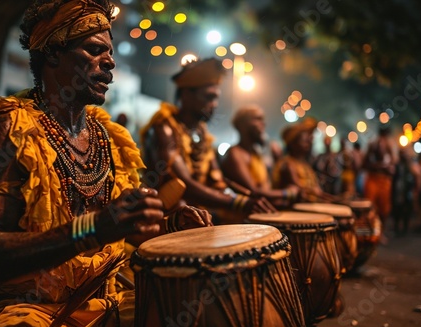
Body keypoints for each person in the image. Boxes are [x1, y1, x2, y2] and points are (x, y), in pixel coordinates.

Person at [0, 1, 211, 327]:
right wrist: (93, 229)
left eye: (110, 52)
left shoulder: (108, 136)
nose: (110, 62)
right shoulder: (7, 128)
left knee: (199, 306)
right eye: (95, 50)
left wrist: (167, 225)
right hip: (28, 311)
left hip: (104, 300)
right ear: (54, 53)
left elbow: (118, 231)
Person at [140, 58, 275, 225]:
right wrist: (238, 203)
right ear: (186, 95)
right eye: (209, 97)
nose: (214, 104)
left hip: (200, 214)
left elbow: (217, 181)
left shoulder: (202, 134)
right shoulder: (164, 128)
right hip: (166, 219)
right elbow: (184, 185)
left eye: (216, 98)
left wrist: (245, 196)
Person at [220, 104, 299, 209]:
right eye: (258, 119)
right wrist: (288, 193)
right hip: (241, 221)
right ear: (242, 125)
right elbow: (254, 192)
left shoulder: (255, 153)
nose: (263, 123)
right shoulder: (235, 154)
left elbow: (266, 188)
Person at [272, 117, 338, 203]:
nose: (308, 144)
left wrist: (335, 199)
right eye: (304, 141)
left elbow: (317, 191)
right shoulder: (287, 164)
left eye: (308, 141)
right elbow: (303, 191)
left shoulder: (305, 165)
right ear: (293, 144)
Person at [362, 126, 397, 239]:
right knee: (370, 206)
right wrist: (379, 166)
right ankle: (371, 231)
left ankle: (380, 232)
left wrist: (388, 168)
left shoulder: (389, 146)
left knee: (384, 209)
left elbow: (393, 163)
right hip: (373, 178)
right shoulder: (373, 144)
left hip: (384, 181)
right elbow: (365, 163)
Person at [391, 145, 421, 236]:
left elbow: (416, 177)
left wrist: (415, 189)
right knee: (398, 209)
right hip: (398, 191)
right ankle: (397, 226)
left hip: (407, 191)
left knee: (406, 209)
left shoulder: (410, 166)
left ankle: (405, 227)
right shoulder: (397, 165)